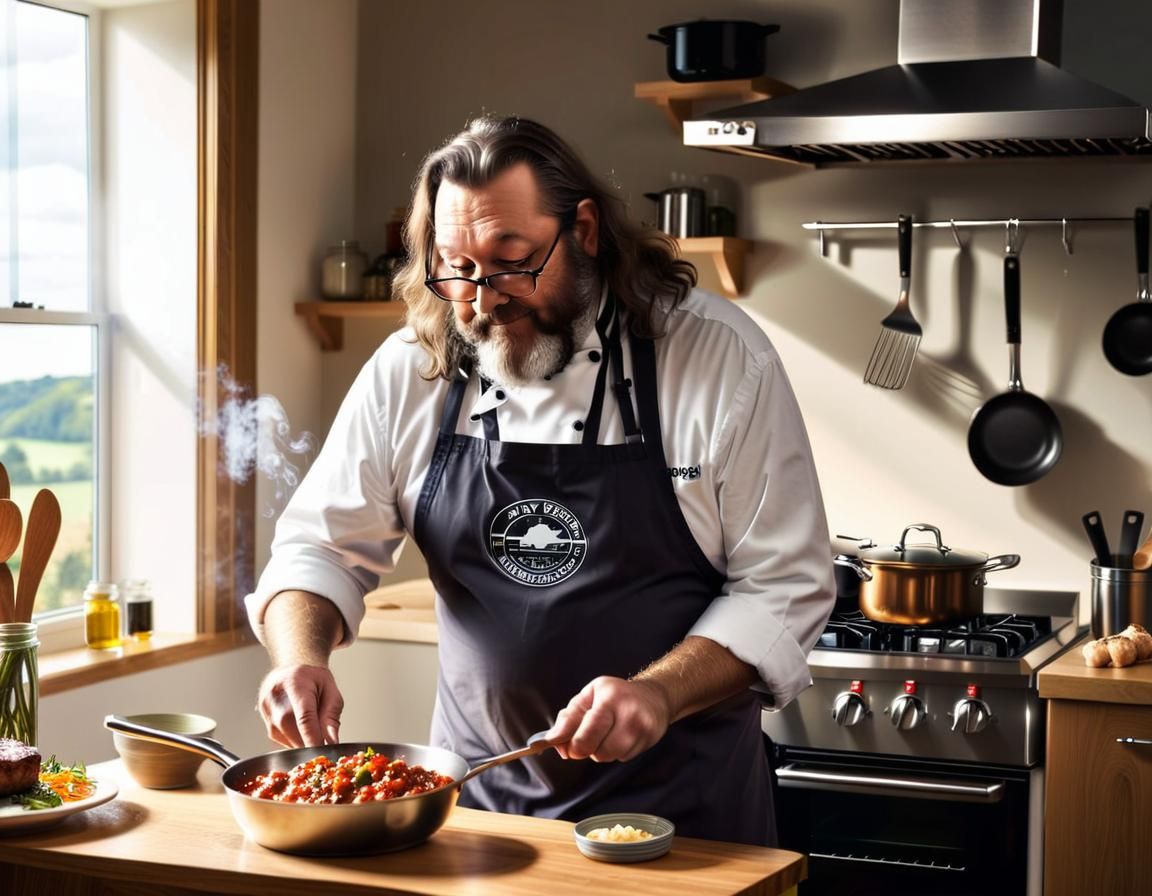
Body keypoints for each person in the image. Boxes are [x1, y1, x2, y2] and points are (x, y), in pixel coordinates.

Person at [245, 115, 835, 846]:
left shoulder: (714, 357)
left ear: (584, 230)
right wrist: (300, 661)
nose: (483, 301)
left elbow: (784, 585)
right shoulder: (413, 366)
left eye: (511, 261)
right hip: (476, 822)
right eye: (457, 267)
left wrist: (657, 693)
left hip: (684, 826)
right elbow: (319, 549)